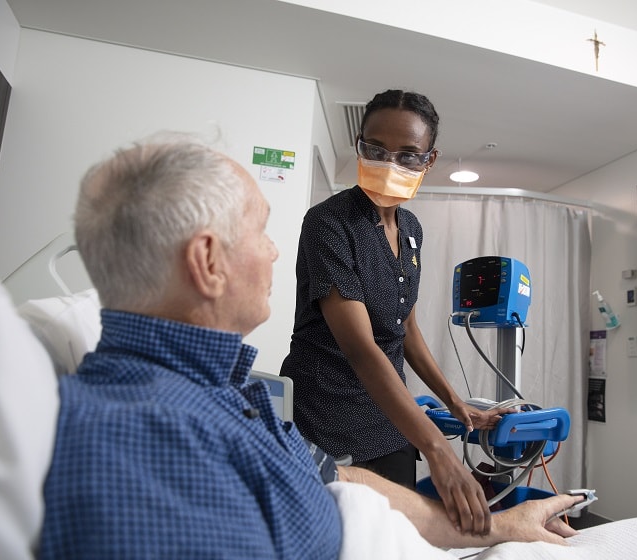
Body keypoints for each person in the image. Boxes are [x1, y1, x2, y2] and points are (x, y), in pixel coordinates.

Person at [38, 134, 581, 558]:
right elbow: (362, 351)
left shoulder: (232, 397)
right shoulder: (151, 439)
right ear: (207, 262)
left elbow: (335, 477)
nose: (274, 254)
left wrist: (502, 527)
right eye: (260, 232)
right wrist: (440, 452)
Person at [280, 89, 506, 533]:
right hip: (327, 417)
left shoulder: (412, 230)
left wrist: (457, 406)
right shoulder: (329, 223)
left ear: (429, 160)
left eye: (408, 155)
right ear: (359, 143)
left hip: (391, 420)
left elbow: (407, 330)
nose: (390, 164)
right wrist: (438, 449)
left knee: (397, 539)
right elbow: (363, 348)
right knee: (337, 538)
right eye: (376, 150)